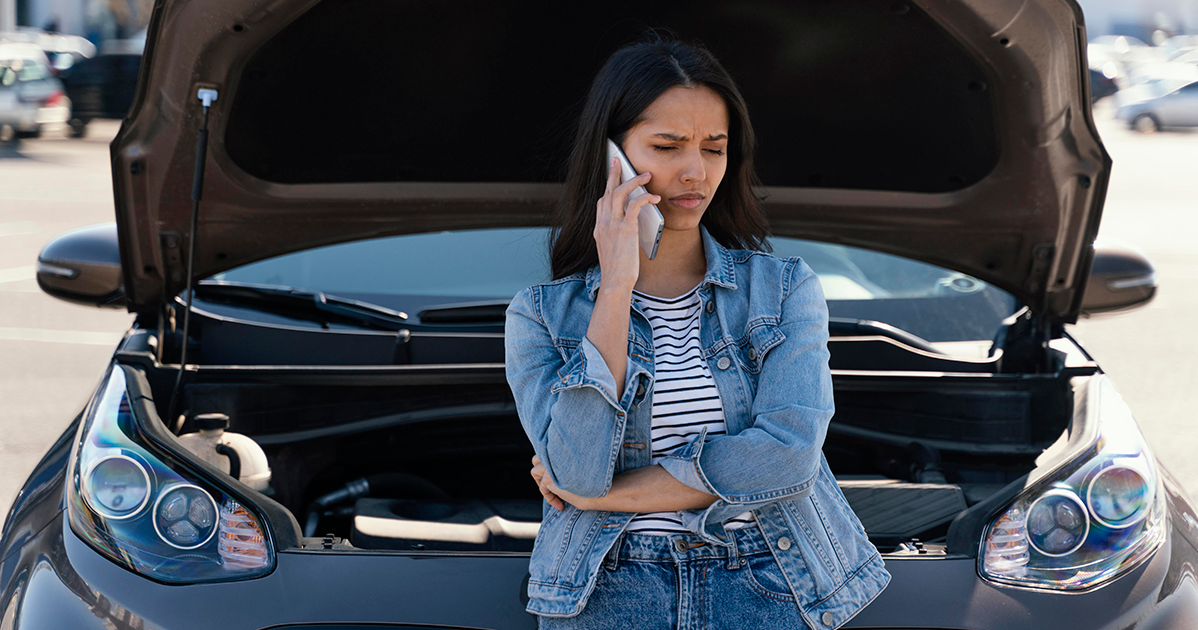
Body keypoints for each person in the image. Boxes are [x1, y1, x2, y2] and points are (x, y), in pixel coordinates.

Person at [504, 38, 889, 629]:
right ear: (611, 157)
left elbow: (787, 457)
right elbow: (577, 469)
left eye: (715, 149)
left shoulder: (783, 290)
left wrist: (605, 497)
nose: (695, 171)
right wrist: (615, 287)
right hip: (610, 588)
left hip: (770, 578)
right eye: (667, 146)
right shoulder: (539, 316)